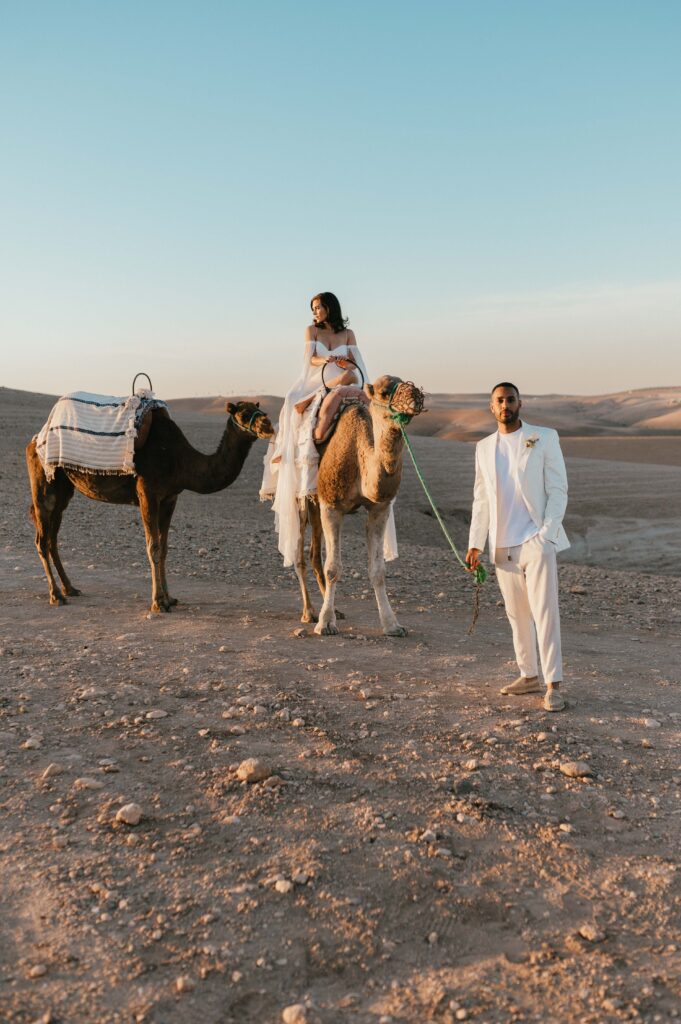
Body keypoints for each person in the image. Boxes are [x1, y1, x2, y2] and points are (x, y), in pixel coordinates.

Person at [260, 292, 397, 568]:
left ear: (330, 307)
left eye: (319, 307)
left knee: (367, 408)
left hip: (345, 376)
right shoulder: (311, 330)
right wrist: (327, 361)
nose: (316, 312)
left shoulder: (348, 333)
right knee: (292, 403)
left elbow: (358, 363)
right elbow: (309, 359)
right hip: (317, 377)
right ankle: (296, 464)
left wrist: (347, 367)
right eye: (313, 308)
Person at [466, 382, 569, 712]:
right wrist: (475, 544)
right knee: (516, 615)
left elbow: (558, 490)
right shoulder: (483, 447)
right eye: (499, 400)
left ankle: (554, 685)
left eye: (510, 399)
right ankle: (528, 675)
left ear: (519, 403)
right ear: (491, 407)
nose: (505, 405)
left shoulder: (545, 437)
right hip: (501, 546)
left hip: (535, 542)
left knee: (545, 613)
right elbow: (481, 499)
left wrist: (546, 535)